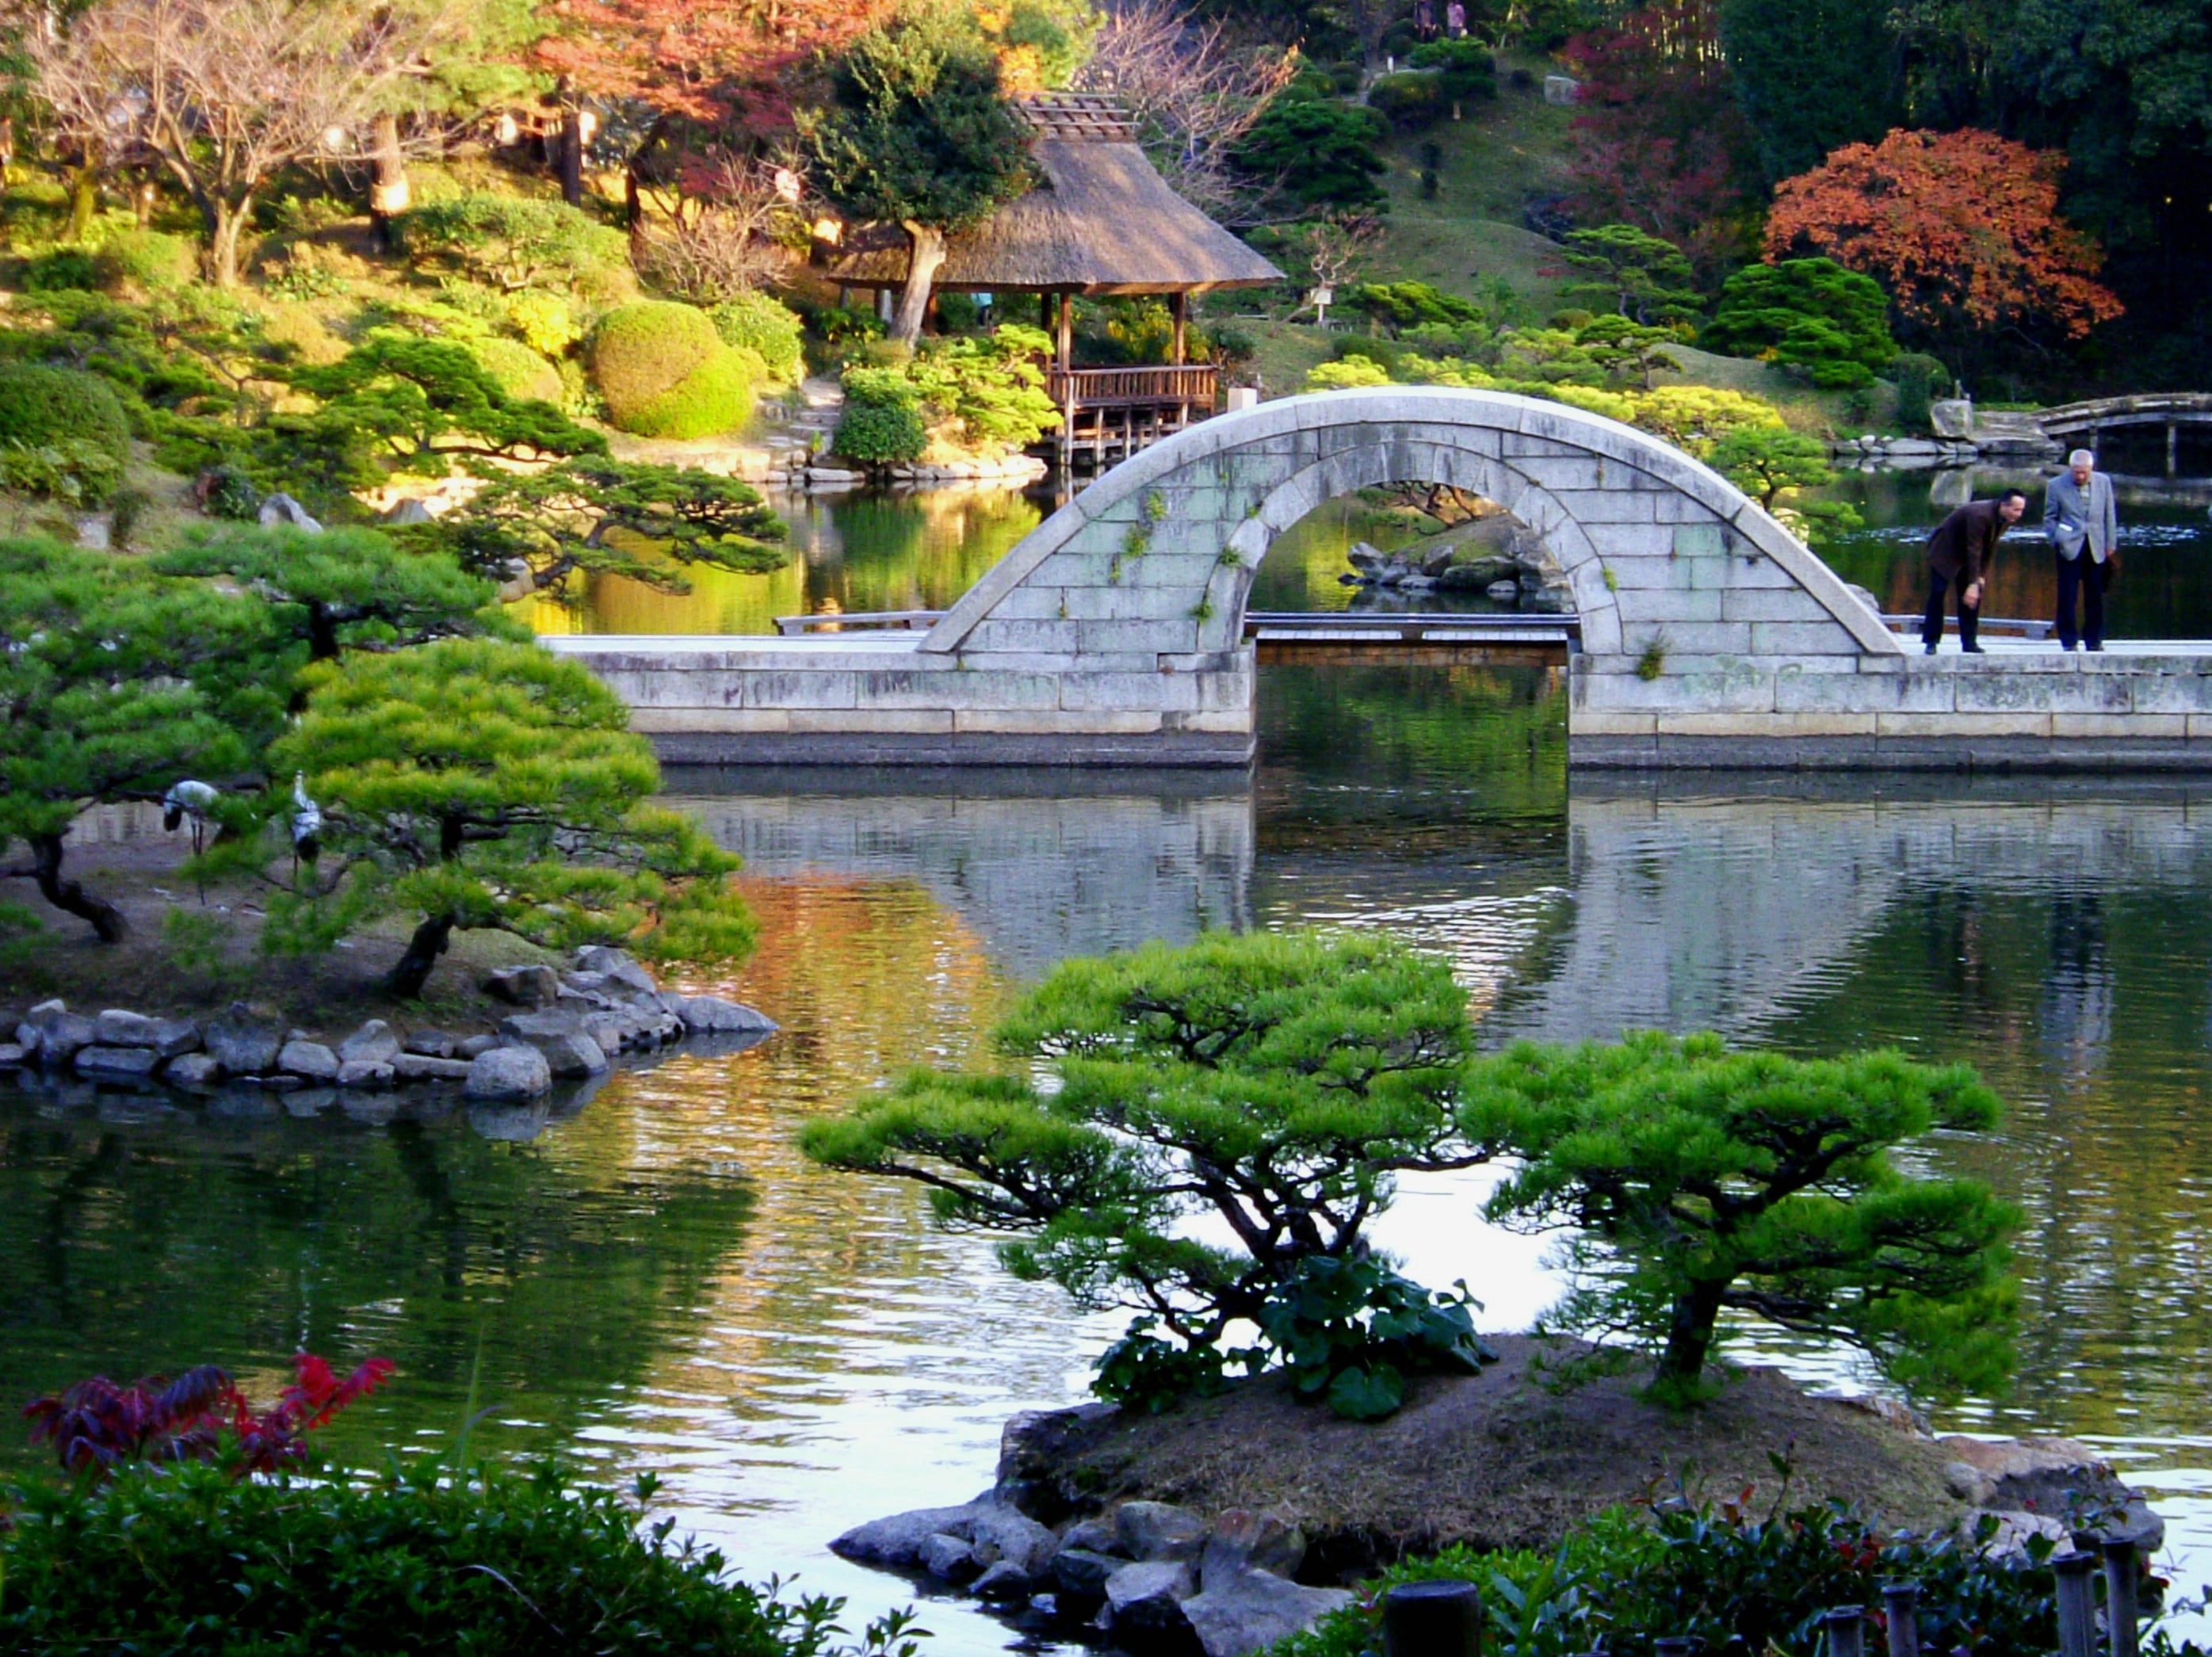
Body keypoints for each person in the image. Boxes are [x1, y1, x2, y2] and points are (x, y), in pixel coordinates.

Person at [1922, 489, 2027, 654]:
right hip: (1945, 551)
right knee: (1938, 594)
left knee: (1972, 598)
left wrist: (1981, 576)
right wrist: (1973, 582)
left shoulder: (2005, 518)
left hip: (1968, 554)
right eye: (2016, 510)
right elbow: (1974, 548)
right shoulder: (1980, 515)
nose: (2019, 514)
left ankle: (1969, 642)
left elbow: (1990, 547)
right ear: (2004, 505)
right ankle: (1931, 641)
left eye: (2021, 510)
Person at [2044, 448, 2119, 651]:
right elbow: (2050, 518)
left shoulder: (2104, 482)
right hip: (2069, 546)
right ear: (2070, 469)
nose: (2080, 476)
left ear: (2091, 469)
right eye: (2076, 472)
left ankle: (2094, 640)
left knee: (2095, 594)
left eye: (2084, 472)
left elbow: (2109, 515)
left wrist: (2110, 544)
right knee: (2067, 595)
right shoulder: (2056, 485)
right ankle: (2068, 640)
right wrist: (2058, 539)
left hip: (2096, 546)